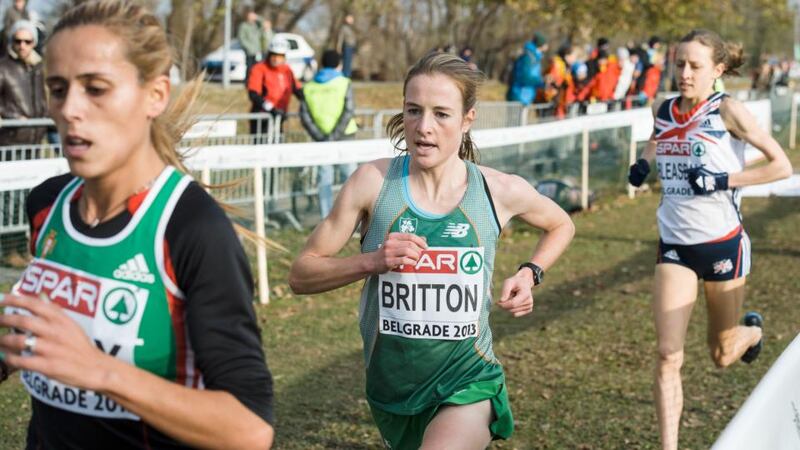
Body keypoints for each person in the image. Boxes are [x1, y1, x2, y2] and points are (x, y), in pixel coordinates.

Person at [0, 1, 275, 449]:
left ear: (156, 95)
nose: (70, 108)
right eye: (56, 88)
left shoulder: (191, 228)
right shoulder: (47, 204)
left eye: (96, 88)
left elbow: (249, 429)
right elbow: (53, 332)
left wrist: (100, 372)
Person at [289, 52, 575, 449]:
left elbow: (562, 223)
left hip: (467, 378)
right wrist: (372, 261)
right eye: (413, 110)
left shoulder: (497, 190)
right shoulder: (372, 183)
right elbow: (301, 275)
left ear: (467, 118)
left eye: (441, 114)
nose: (423, 128)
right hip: (392, 388)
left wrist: (530, 273)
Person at [627, 29, 792, 450]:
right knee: (668, 355)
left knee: (721, 354)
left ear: (717, 70)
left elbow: (781, 166)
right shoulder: (662, 109)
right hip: (675, 246)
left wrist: (723, 179)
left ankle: (752, 333)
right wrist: (643, 164)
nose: (684, 73)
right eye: (679, 63)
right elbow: (657, 138)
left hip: (723, 245)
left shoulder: (728, 112)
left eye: (695, 66)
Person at [0, 19, 47, 267]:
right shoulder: (4, 68)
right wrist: (10, 117)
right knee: (11, 197)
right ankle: (9, 251)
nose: (22, 45)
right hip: (10, 142)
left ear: (34, 43)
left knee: (27, 196)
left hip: (34, 141)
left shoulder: (37, 69)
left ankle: (22, 246)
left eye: (27, 41)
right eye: (17, 41)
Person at [299, 49, 358, 219]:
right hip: (344, 136)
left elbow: (304, 115)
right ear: (339, 64)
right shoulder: (344, 82)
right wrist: (334, 136)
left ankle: (327, 219)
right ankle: (352, 218)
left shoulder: (309, 86)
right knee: (352, 179)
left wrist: (321, 136)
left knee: (324, 180)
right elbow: (349, 110)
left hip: (321, 139)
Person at [247, 36, 303, 143]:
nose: (277, 59)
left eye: (280, 56)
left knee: (277, 150)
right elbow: (253, 94)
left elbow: (297, 89)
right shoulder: (259, 68)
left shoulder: (287, 70)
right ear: (269, 54)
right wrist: (271, 108)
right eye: (274, 55)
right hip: (262, 117)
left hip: (279, 117)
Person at [506, 31, 547, 107]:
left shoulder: (535, 56)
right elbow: (525, 77)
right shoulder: (528, 56)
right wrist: (541, 80)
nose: (547, 47)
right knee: (515, 119)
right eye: (545, 44)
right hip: (519, 95)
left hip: (525, 96)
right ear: (541, 44)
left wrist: (543, 83)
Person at [237, 7, 264, 84]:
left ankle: (256, 83)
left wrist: (257, 17)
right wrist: (249, 48)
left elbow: (263, 23)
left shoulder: (256, 25)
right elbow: (242, 38)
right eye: (250, 16)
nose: (252, 17)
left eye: (253, 16)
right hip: (249, 52)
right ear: (247, 16)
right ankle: (247, 83)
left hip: (257, 51)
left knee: (258, 68)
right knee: (249, 67)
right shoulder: (244, 26)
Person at [337, 13, 357, 78]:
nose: (351, 20)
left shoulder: (352, 29)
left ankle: (348, 75)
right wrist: (338, 47)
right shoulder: (344, 28)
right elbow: (340, 38)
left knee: (350, 63)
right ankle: (345, 76)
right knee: (346, 62)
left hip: (352, 47)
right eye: (350, 18)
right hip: (347, 47)